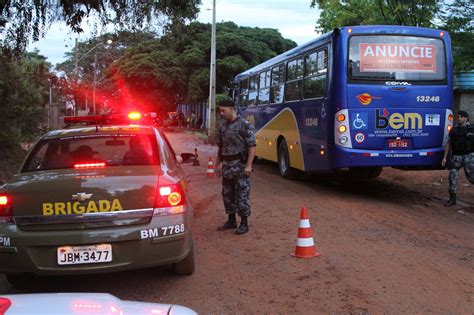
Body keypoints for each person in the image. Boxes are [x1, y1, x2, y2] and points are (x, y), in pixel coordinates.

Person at [215, 99, 256, 235]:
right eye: (220, 110)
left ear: (232, 109)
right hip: (227, 167)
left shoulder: (244, 125)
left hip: (240, 166)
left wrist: (249, 166)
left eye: (223, 110)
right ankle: (231, 220)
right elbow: (220, 148)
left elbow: (252, 146)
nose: (221, 113)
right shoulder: (223, 127)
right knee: (227, 194)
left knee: (242, 195)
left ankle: (244, 223)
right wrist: (217, 164)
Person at [441, 110, 474, 207]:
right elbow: (449, 143)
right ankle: (452, 198)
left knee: (472, 178)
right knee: (452, 176)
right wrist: (445, 158)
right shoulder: (454, 130)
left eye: (461, 117)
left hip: (469, 156)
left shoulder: (472, 128)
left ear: (466, 118)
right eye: (458, 117)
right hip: (456, 156)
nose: (459, 119)